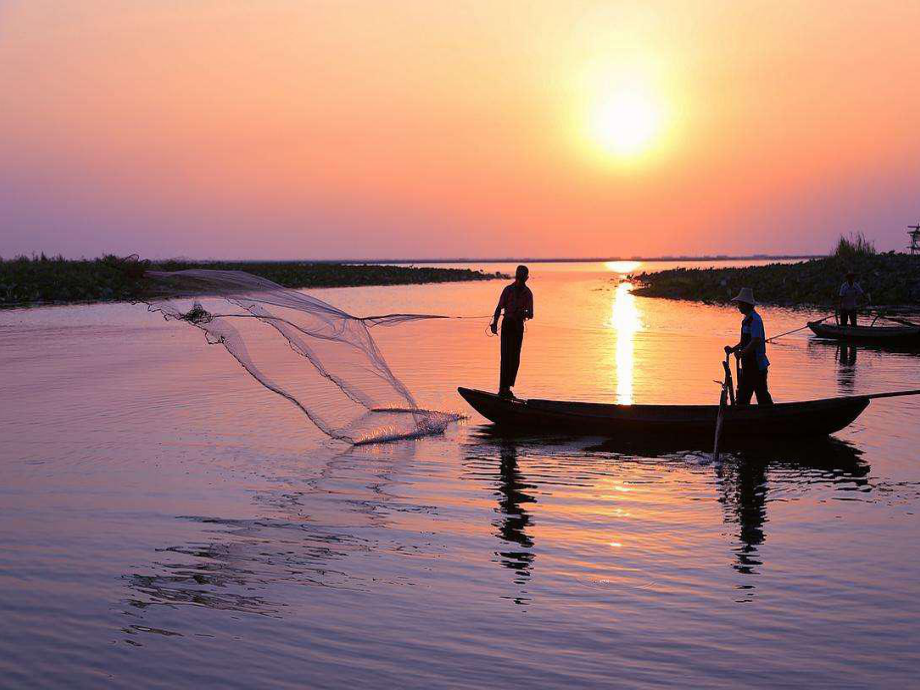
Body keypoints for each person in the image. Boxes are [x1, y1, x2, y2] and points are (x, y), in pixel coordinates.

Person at [724, 287, 773, 406]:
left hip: (756, 365)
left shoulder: (755, 320)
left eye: (740, 304)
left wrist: (742, 353)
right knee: (744, 395)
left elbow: (756, 341)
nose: (738, 306)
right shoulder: (746, 320)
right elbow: (745, 342)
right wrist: (733, 349)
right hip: (748, 365)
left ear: (746, 304)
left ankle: (770, 416)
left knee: (760, 395)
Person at [491, 265, 534, 398]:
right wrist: (494, 323)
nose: (520, 278)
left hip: (518, 327)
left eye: (522, 276)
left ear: (526, 278)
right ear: (517, 276)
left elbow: (531, 314)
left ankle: (507, 389)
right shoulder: (508, 290)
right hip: (508, 325)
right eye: (519, 276)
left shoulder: (528, 293)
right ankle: (502, 389)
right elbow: (499, 308)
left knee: (514, 358)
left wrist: (523, 313)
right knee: (505, 357)